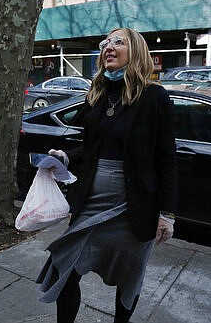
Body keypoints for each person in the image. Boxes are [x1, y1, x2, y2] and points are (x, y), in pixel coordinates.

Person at [36, 28, 177, 323]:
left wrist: (167, 213)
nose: (108, 48)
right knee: (65, 267)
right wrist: (64, 158)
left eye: (118, 42)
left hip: (134, 207)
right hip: (91, 203)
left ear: (136, 51)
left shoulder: (154, 96)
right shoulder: (97, 95)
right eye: (105, 43)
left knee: (129, 277)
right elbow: (88, 150)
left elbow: (166, 158)